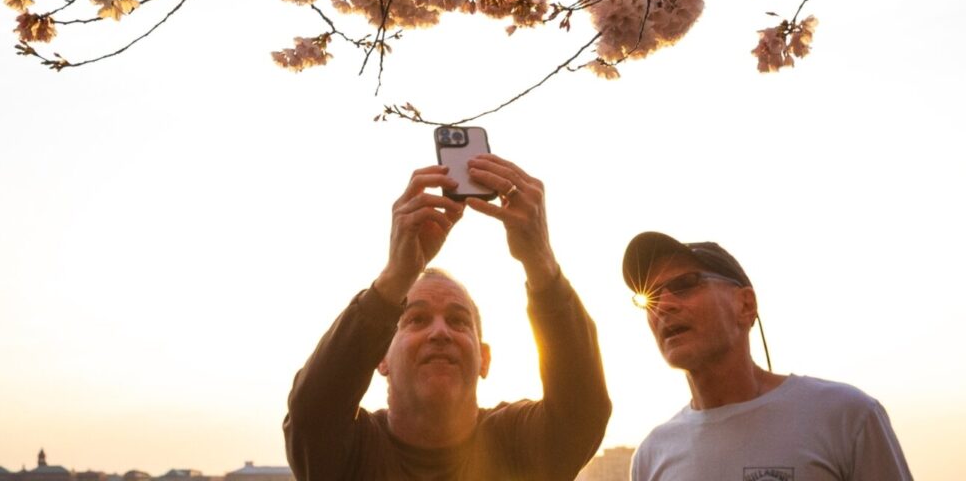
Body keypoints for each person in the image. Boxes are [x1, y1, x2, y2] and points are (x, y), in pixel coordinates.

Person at [285, 156, 611, 481]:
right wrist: (395, 278)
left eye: (458, 321)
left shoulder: (518, 443)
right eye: (416, 320)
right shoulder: (351, 452)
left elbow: (582, 410)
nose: (440, 332)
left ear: (484, 359)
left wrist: (540, 259)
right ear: (381, 358)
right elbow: (311, 413)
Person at [621, 232, 914, 481]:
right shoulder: (652, 455)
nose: (664, 305)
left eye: (685, 284)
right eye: (652, 297)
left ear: (745, 305)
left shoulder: (847, 416)